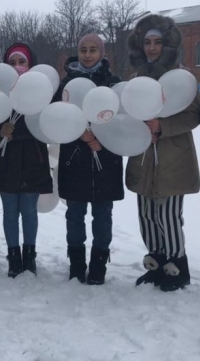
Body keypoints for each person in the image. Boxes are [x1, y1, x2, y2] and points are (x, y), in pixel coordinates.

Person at [126, 15, 200, 292]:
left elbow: (193, 116)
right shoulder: (136, 78)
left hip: (172, 157)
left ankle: (177, 265)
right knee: (146, 212)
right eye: (148, 42)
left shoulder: (182, 77)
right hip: (143, 157)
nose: (152, 48)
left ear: (167, 44)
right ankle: (156, 261)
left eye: (158, 42)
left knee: (167, 214)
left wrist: (163, 126)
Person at [52, 35, 124, 285]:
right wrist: (77, 129)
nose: (88, 54)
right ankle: (77, 263)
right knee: (75, 214)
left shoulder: (112, 82)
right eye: (83, 49)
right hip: (75, 157)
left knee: (103, 214)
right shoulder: (67, 83)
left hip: (106, 158)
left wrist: (101, 140)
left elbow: (122, 119)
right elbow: (56, 116)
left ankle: (98, 265)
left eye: (93, 50)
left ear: (102, 53)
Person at [0, 43, 52, 278]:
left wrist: (19, 132)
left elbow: (46, 123)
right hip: (6, 160)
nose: (17, 67)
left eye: (21, 62)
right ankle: (13, 256)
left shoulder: (40, 89)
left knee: (29, 209)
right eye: (12, 62)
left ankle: (29, 255)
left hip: (33, 158)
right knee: (9, 211)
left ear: (30, 64)